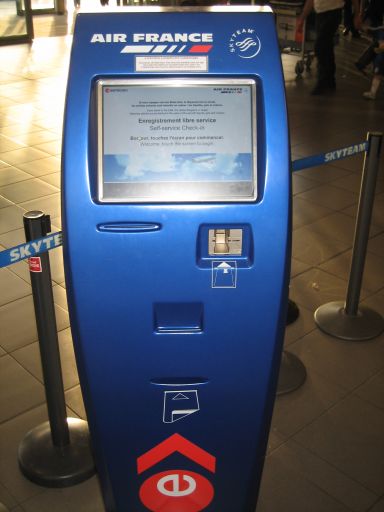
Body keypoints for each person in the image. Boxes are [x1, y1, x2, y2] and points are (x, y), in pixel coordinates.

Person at [298, 0, 362, 95]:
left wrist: (357, 15)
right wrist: (302, 18)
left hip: (333, 12)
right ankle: (330, 80)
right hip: (320, 13)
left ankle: (322, 81)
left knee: (320, 46)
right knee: (326, 46)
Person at [363, 27, 384, 99]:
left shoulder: (381, 32)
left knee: (377, 75)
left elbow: (381, 46)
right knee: (378, 75)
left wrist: (377, 49)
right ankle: (372, 93)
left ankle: (372, 93)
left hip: (382, 59)